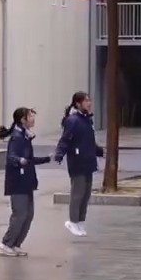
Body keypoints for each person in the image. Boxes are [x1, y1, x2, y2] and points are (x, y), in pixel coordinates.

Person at [0, 107, 51, 256]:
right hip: (18, 181)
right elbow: (11, 157)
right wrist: (19, 160)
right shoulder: (17, 137)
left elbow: (30, 159)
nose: (33, 119)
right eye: (30, 116)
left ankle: (16, 244)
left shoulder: (25, 136)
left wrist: (46, 159)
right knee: (20, 214)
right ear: (23, 120)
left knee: (28, 214)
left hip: (27, 180)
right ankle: (6, 243)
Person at [53, 91, 103, 237]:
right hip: (77, 161)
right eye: (86, 101)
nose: (89, 103)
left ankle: (80, 221)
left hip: (88, 160)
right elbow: (65, 139)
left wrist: (99, 151)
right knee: (78, 193)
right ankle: (72, 221)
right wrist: (59, 154)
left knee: (86, 194)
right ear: (78, 103)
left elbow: (89, 141)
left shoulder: (87, 120)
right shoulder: (73, 120)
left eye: (89, 100)